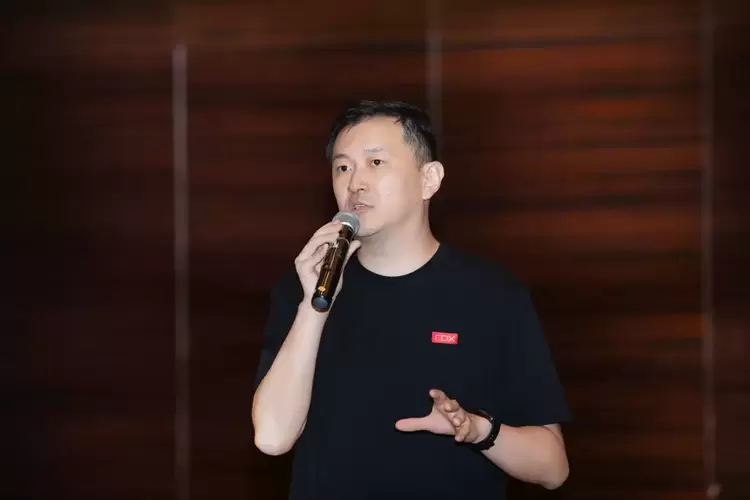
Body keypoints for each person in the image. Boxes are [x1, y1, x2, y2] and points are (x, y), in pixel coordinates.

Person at [251, 100, 571, 500]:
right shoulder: (304, 290)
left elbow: (553, 468)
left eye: (376, 163)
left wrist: (478, 430)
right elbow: (272, 437)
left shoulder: (492, 294)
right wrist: (314, 308)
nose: (355, 183)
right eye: (342, 167)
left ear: (429, 179)